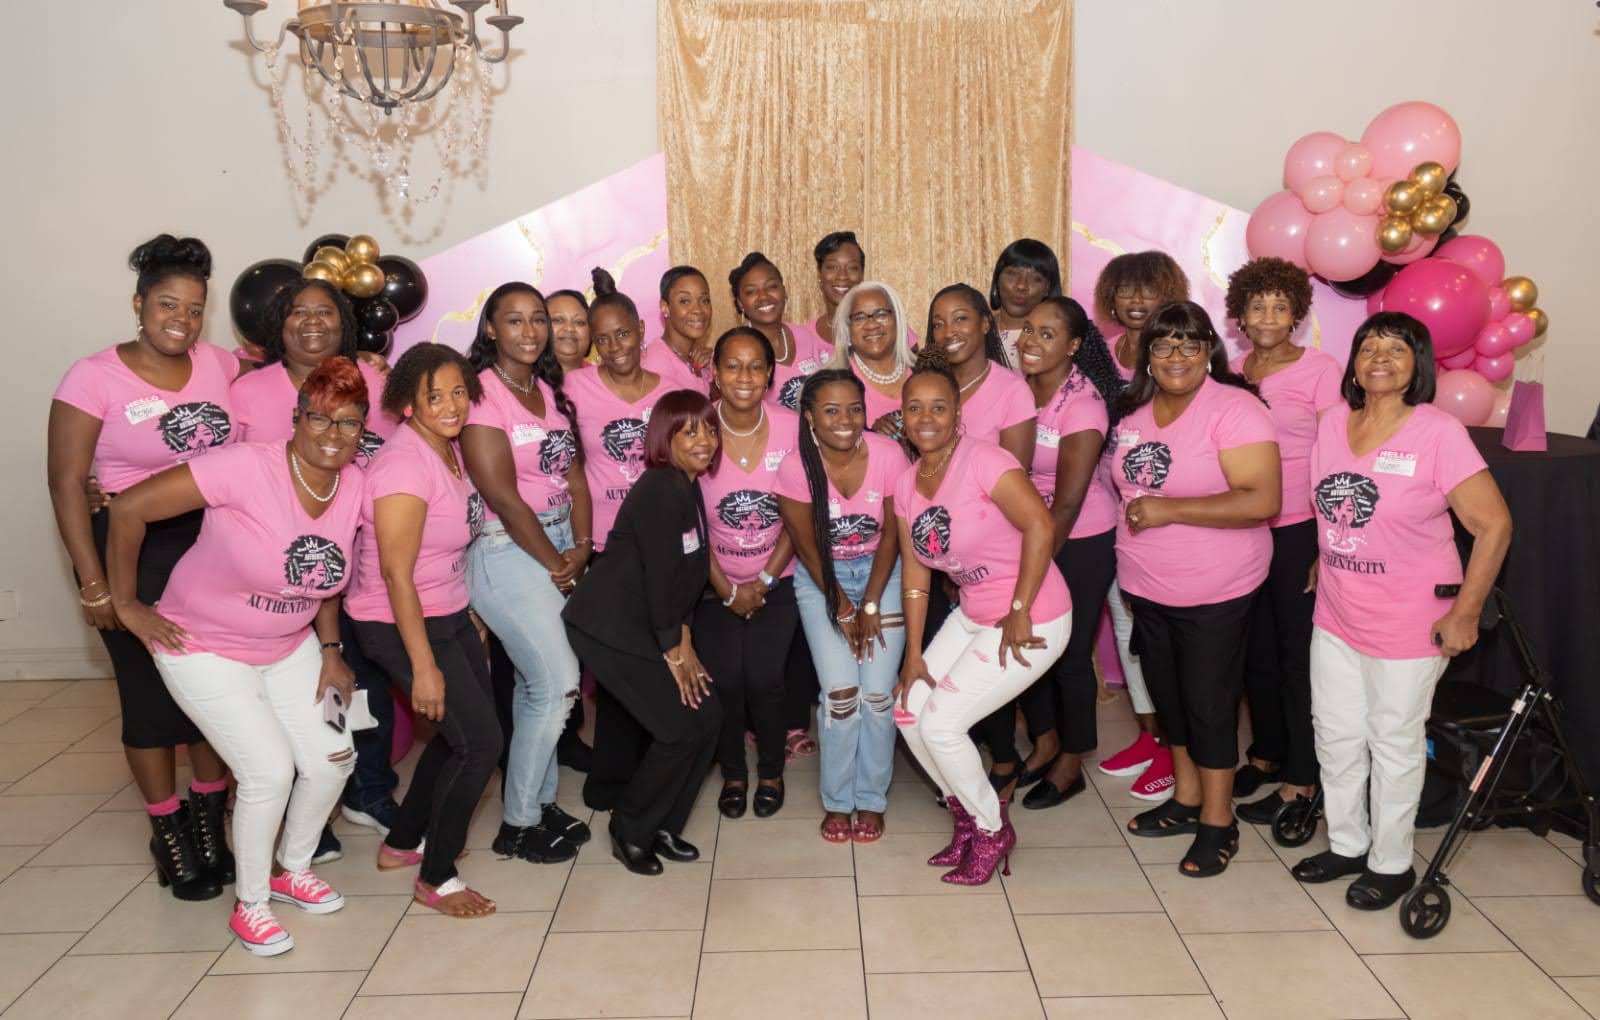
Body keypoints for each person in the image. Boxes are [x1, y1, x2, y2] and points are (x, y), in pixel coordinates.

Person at [107, 358, 368, 955]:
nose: (333, 436)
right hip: (202, 647)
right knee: (268, 771)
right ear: (297, 418)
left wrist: (331, 650)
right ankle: (251, 905)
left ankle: (292, 869)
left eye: (349, 424)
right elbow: (127, 509)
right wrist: (125, 604)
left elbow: (325, 573)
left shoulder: (351, 482)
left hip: (289, 646)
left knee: (334, 755)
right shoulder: (244, 467)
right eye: (321, 420)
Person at [1293, 312, 1510, 910]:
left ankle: (1390, 865)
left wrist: (1466, 612)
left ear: (1419, 363)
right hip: (1337, 614)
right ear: (1354, 364)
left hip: (1410, 620)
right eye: (1368, 346)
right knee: (1335, 736)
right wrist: (1324, 555)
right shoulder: (1333, 422)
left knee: (1393, 741)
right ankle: (1345, 843)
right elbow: (1332, 506)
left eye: (1396, 348)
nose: (1380, 357)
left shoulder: (1437, 432)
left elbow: (1492, 525)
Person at [47, 234, 235, 902]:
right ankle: (170, 829)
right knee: (149, 693)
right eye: (166, 305)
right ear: (138, 303)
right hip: (127, 548)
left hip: (209, 548)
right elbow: (68, 484)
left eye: (192, 307)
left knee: (214, 689)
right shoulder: (93, 376)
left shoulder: (223, 365)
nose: (180, 319)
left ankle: (213, 816)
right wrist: (94, 582)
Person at [230, 277, 402, 854]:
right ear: (278, 326)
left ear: (344, 323)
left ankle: (368, 790)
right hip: (279, 579)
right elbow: (210, 474)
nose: (312, 322)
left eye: (325, 312)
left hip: (364, 568)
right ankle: (315, 809)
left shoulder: (376, 380)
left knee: (362, 684)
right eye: (297, 312)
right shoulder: (249, 393)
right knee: (304, 692)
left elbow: (406, 456)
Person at [1111, 301, 1280, 878]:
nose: (1176, 356)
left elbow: (1262, 499)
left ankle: (1218, 819)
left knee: (1209, 706)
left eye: (1189, 343)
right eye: (1163, 345)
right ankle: (1185, 800)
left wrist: (1169, 510)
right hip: (1147, 587)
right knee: (1172, 701)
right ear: (1147, 356)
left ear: (1209, 349)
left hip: (1216, 590)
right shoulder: (1133, 418)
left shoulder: (1235, 410)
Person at [893, 348, 1071, 885]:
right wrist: (914, 656)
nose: (927, 419)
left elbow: (1040, 525)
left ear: (958, 414)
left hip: (1033, 614)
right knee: (908, 711)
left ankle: (993, 830)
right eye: (915, 408)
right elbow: (917, 578)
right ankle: (968, 819)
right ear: (902, 415)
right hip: (973, 613)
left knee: (943, 724)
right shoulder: (906, 486)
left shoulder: (985, 460)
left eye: (939, 408)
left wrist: (1020, 609)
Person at [344, 343, 500, 918]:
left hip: (447, 612)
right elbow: (394, 572)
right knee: (481, 743)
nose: (451, 404)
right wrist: (424, 666)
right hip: (398, 623)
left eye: (458, 391)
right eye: (434, 395)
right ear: (408, 403)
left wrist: (469, 618)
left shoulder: (447, 449)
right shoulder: (405, 463)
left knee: (462, 735)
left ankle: (402, 842)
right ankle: (437, 878)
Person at [562, 390, 724, 875]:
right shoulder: (659, 488)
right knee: (677, 728)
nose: (704, 440)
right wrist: (674, 649)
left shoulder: (686, 486)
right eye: (688, 430)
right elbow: (658, 577)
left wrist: (686, 634)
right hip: (610, 628)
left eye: (709, 429)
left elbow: (686, 576)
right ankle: (629, 828)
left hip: (653, 622)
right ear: (663, 437)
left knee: (709, 716)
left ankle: (664, 824)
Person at [461, 283, 595, 865]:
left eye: (537, 319)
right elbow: (503, 495)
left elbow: (576, 477)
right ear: (490, 328)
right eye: (513, 320)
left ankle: (539, 803)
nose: (529, 330)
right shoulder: (482, 395)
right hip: (508, 551)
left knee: (533, 686)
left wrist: (582, 548)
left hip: (562, 543)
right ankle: (516, 823)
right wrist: (556, 564)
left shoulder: (547, 388)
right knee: (559, 683)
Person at [1223, 258, 1343, 822]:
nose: (1268, 315)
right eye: (1257, 304)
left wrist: (1326, 540)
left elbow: (1338, 453)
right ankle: (1267, 754)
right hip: (1244, 529)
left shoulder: (1322, 370)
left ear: (1296, 313)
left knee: (1297, 656)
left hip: (1299, 528)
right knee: (1255, 653)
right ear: (1240, 314)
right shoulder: (1231, 371)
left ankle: (1303, 776)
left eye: (1280, 305)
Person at [778, 370, 909, 842]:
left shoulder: (889, 454)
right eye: (831, 411)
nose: (845, 419)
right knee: (840, 695)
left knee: (876, 696)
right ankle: (838, 799)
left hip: (882, 574)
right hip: (822, 581)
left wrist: (870, 603)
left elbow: (894, 534)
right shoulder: (796, 466)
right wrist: (843, 607)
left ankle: (870, 799)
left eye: (854, 408)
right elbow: (806, 545)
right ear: (810, 416)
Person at [564, 269, 677, 810]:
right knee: (614, 669)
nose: (614, 348)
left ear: (640, 330)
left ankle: (658, 771)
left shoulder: (677, 391)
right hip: (609, 545)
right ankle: (609, 780)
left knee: (662, 660)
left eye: (622, 335)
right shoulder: (574, 389)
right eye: (601, 339)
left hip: (665, 547)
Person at [927, 283, 1039, 797]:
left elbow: (1015, 479)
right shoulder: (929, 383)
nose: (948, 333)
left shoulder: (1012, 389)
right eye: (938, 323)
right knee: (947, 667)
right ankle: (959, 761)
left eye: (960, 320)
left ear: (984, 324)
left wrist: (968, 558)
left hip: (991, 556)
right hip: (937, 551)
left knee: (987, 663)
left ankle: (1003, 760)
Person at [1091, 251, 1192, 801]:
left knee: (1159, 634)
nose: (1135, 301)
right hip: (1105, 511)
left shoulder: (1177, 354)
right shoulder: (1101, 353)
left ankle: (1177, 750)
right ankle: (1151, 737)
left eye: (1147, 291)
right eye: (1125, 291)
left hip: (1161, 514)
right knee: (1126, 628)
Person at [1016, 297, 1124, 809]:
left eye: (1046, 334)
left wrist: (1035, 565)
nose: (1030, 342)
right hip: (1028, 533)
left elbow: (1069, 501)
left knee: (1070, 652)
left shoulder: (1083, 403)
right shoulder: (1018, 389)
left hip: (1078, 538)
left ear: (1074, 345)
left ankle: (1073, 759)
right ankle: (1044, 740)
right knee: (1029, 648)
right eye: (1028, 330)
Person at [696, 328, 799, 819]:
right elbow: (685, 523)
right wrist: (726, 588)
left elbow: (801, 516)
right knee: (725, 679)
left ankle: (773, 771)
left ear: (769, 376)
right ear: (714, 373)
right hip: (711, 582)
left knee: (764, 677)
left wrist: (763, 583)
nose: (744, 376)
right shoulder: (696, 427)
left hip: (776, 579)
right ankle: (734, 771)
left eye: (755, 366)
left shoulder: (792, 427)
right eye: (732, 366)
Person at [730, 252, 831, 411]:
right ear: (740, 303)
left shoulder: (806, 336)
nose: (763, 297)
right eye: (751, 291)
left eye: (771, 286)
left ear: (784, 292)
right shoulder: (733, 348)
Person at [824, 281, 916, 443]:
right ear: (848, 328)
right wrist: (869, 438)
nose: (872, 325)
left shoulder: (924, 371)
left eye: (881, 314)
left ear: (897, 320)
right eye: (859, 317)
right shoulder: (831, 383)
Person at [988, 238, 1062, 369]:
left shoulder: (1057, 341)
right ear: (997, 279)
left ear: (1047, 289)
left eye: (1036, 279)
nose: (1021, 285)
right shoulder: (978, 332)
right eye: (1012, 274)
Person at [649, 266, 714, 392]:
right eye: (685, 301)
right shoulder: (656, 366)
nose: (698, 310)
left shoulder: (702, 360)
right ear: (665, 307)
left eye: (705, 300)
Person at [804, 231, 866, 349]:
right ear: (819, 274)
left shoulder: (883, 327)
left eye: (852, 268)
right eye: (832, 267)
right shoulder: (804, 338)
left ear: (862, 275)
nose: (842, 276)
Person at [547, 288, 593, 375]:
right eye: (558, 320)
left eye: (579, 322)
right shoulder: (519, 381)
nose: (569, 328)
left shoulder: (607, 383)